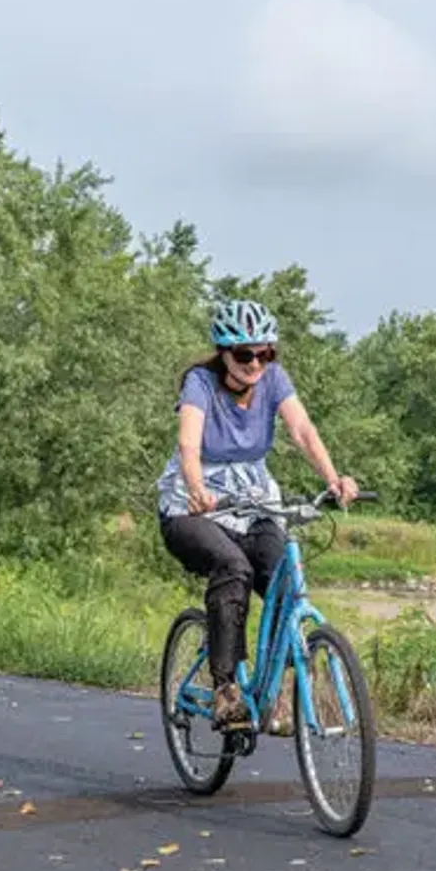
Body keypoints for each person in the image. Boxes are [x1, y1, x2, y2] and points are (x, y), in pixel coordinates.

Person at [157, 297, 358, 730]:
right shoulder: (200, 383)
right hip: (193, 507)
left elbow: (303, 430)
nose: (255, 363)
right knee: (233, 568)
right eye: (244, 354)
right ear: (224, 355)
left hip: (253, 502)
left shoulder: (274, 380)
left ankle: (272, 691)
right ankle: (226, 688)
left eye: (265, 353)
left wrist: (333, 478)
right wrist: (196, 489)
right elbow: (189, 444)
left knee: (280, 576)